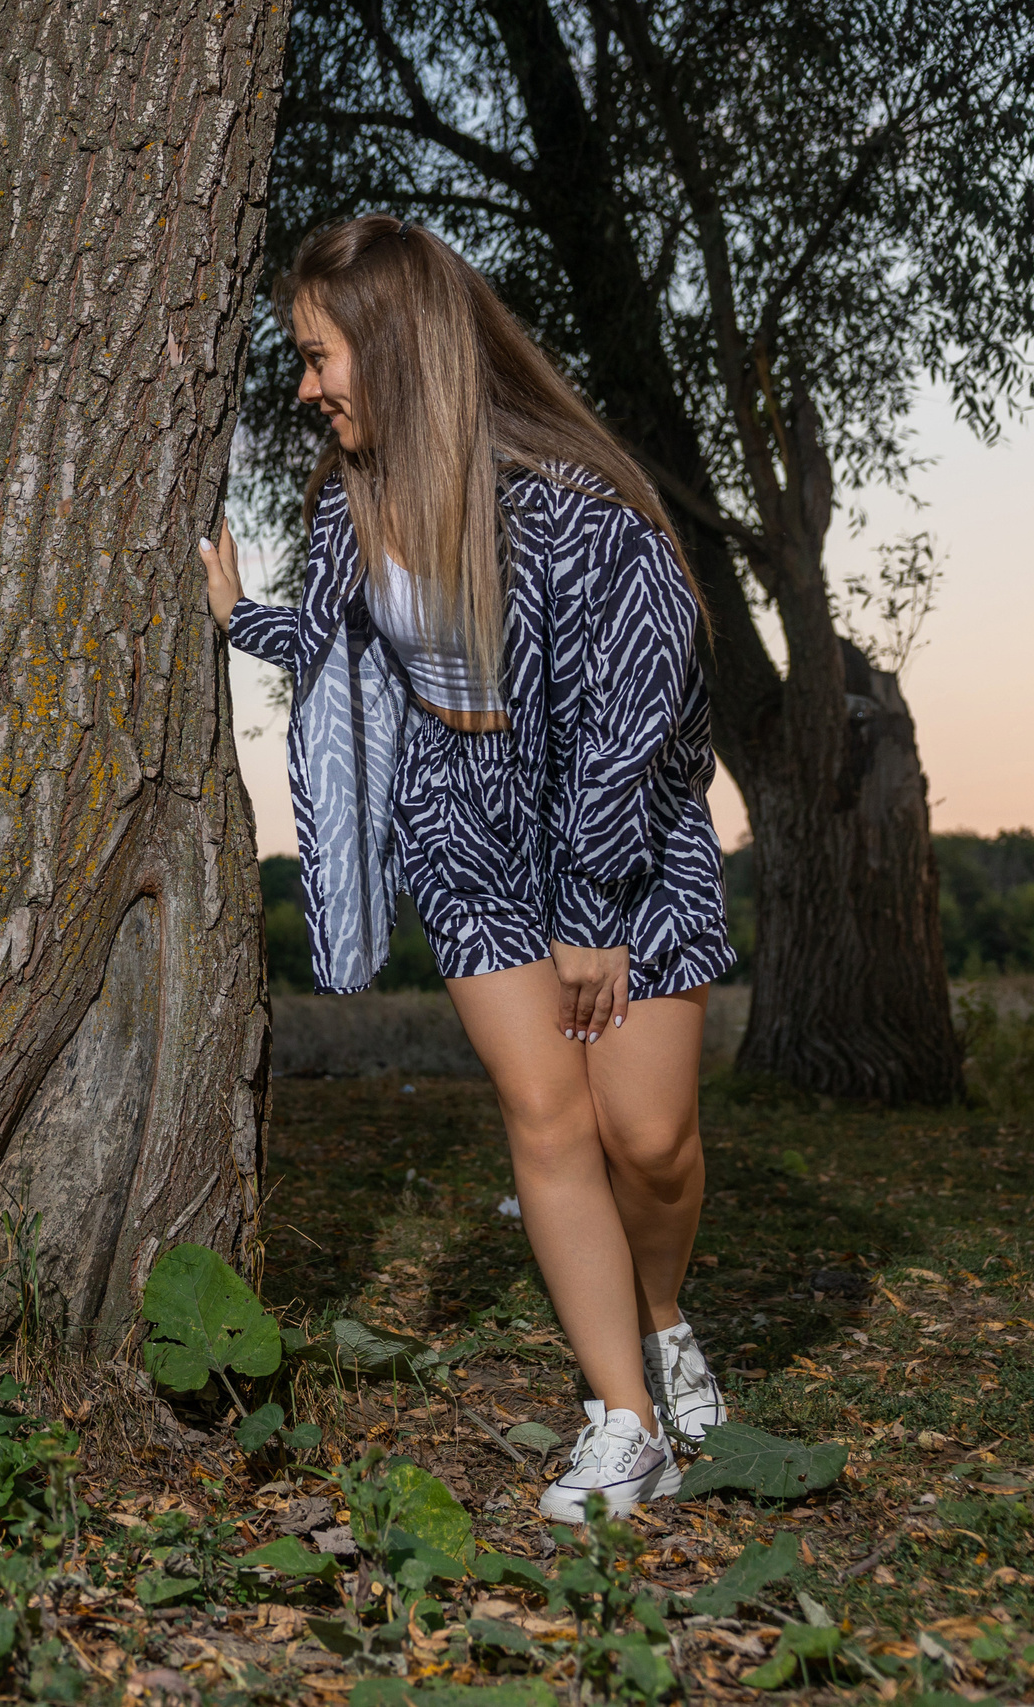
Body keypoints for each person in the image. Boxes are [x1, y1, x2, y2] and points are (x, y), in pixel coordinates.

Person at [203, 217, 733, 1522]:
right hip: (467, 823)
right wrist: (238, 619)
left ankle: (662, 1316)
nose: (308, 384)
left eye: (320, 356)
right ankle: (624, 1419)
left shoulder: (571, 498)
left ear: (396, 345)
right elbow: (351, 645)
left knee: (649, 1137)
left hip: (619, 821)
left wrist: (596, 900)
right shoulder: (354, 493)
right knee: (550, 1113)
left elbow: (648, 686)